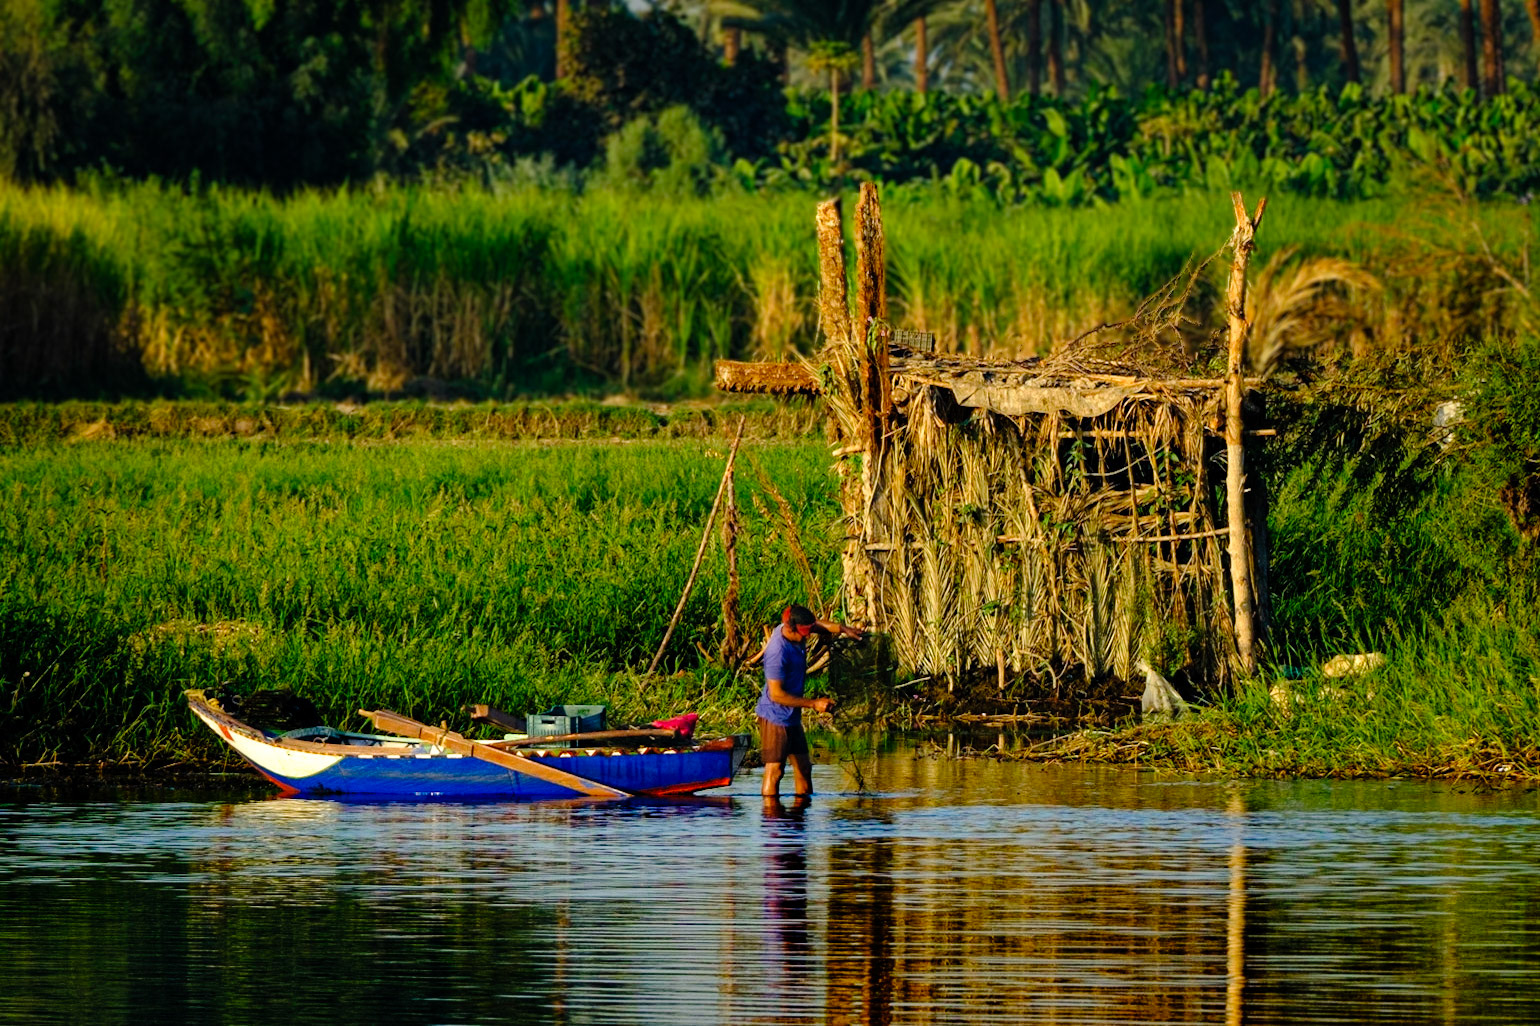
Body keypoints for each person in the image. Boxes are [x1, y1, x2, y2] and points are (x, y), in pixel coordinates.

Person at [757, 604, 864, 797]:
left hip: (792, 717)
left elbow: (817, 625)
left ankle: (802, 810)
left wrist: (843, 629)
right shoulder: (777, 652)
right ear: (790, 628)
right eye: (804, 633)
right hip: (774, 717)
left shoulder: (796, 629)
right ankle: (771, 813)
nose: (807, 637)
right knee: (775, 771)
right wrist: (814, 704)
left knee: (804, 768)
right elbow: (776, 695)